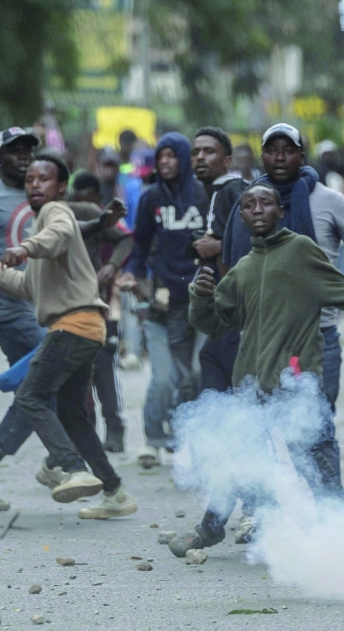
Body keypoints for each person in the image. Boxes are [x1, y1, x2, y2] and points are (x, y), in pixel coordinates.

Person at [169, 185, 344, 555]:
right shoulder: (244, 267)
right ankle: (210, 529)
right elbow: (213, 323)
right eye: (249, 205)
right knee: (235, 457)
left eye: (265, 203)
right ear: (241, 217)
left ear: (279, 210)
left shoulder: (301, 251)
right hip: (250, 386)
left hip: (297, 385)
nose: (257, 209)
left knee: (318, 469)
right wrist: (201, 295)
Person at [222, 123, 344, 501]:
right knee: (255, 429)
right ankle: (266, 517)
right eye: (272, 150)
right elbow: (233, 269)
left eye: (288, 150)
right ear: (263, 156)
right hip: (261, 340)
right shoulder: (249, 204)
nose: (279, 157)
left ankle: (332, 516)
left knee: (315, 431)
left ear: (301, 155)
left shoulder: (332, 202)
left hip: (317, 338)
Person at [0, 154, 137, 519]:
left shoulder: (55, 214)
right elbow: (29, 287)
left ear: (61, 187)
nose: (34, 185)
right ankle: (115, 493)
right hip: (83, 327)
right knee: (74, 415)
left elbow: (58, 233)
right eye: (29, 179)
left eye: (43, 179)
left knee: (30, 397)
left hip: (73, 327)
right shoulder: (40, 235)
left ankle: (71, 467)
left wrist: (24, 248)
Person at [120, 133, 209, 468]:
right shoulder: (150, 198)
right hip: (160, 304)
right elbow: (139, 246)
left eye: (173, 156)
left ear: (184, 159)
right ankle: (153, 440)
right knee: (164, 378)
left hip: (201, 304)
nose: (166, 162)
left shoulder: (204, 194)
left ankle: (191, 439)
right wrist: (132, 275)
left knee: (196, 375)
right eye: (161, 156)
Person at [71, 173, 133, 452]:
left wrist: (112, 267)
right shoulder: (53, 216)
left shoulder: (98, 218)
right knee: (78, 380)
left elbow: (126, 240)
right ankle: (87, 436)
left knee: (104, 374)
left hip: (99, 311)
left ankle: (115, 429)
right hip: (65, 313)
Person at [0, 128, 48, 470]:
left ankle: (62, 461)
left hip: (21, 304)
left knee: (44, 379)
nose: (23, 156)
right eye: (14, 150)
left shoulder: (43, 196)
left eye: (28, 150)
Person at [189, 127, 246, 393]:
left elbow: (258, 241)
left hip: (240, 307)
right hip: (224, 308)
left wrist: (218, 245)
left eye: (209, 151)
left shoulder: (234, 190)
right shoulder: (211, 192)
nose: (200, 157)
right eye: (196, 152)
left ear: (226, 161)